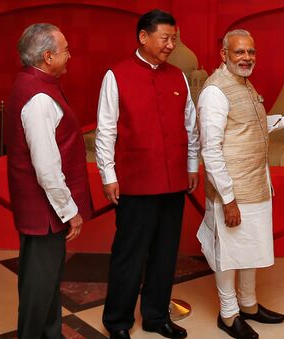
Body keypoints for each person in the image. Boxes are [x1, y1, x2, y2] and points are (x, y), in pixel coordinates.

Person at [197, 29, 284, 339]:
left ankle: (248, 305)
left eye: (251, 52)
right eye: (239, 52)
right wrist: (228, 199)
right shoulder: (215, 92)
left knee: (250, 250)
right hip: (232, 191)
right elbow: (211, 149)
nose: (247, 58)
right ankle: (228, 313)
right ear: (224, 55)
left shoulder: (243, 84)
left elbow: (250, 128)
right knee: (230, 253)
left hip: (256, 185)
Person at [95, 9, 199, 339]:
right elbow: (106, 129)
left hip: (173, 181)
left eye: (174, 39)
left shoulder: (178, 77)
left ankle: (156, 316)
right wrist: (108, 174)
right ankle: (118, 321)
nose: (171, 45)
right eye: (165, 38)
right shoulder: (117, 74)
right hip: (135, 183)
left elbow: (190, 126)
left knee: (166, 253)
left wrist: (192, 165)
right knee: (129, 254)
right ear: (144, 37)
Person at [6, 23, 92, 339]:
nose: (70, 55)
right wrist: (70, 211)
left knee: (44, 283)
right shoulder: (39, 98)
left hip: (39, 210)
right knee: (39, 287)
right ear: (47, 56)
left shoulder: (31, 83)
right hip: (44, 212)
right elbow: (46, 167)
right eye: (65, 49)